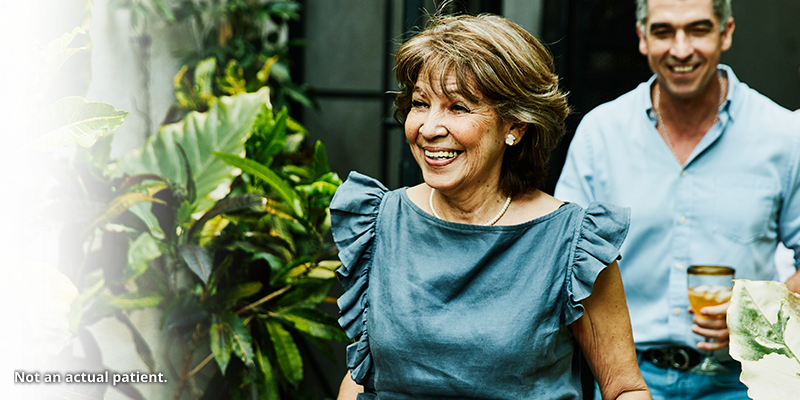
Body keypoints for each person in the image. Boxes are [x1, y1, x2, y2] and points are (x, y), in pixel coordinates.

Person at [330, 13, 651, 400]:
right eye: (420, 103)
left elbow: (624, 389)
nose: (429, 127)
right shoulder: (379, 223)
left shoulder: (574, 245)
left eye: (458, 108)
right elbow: (362, 376)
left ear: (515, 126)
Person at [555, 0, 800, 399]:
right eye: (664, 31)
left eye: (698, 29)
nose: (681, 50)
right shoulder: (601, 134)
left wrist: (757, 314)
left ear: (727, 32)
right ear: (642, 38)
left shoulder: (783, 135)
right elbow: (562, 261)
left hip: (744, 383)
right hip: (625, 382)